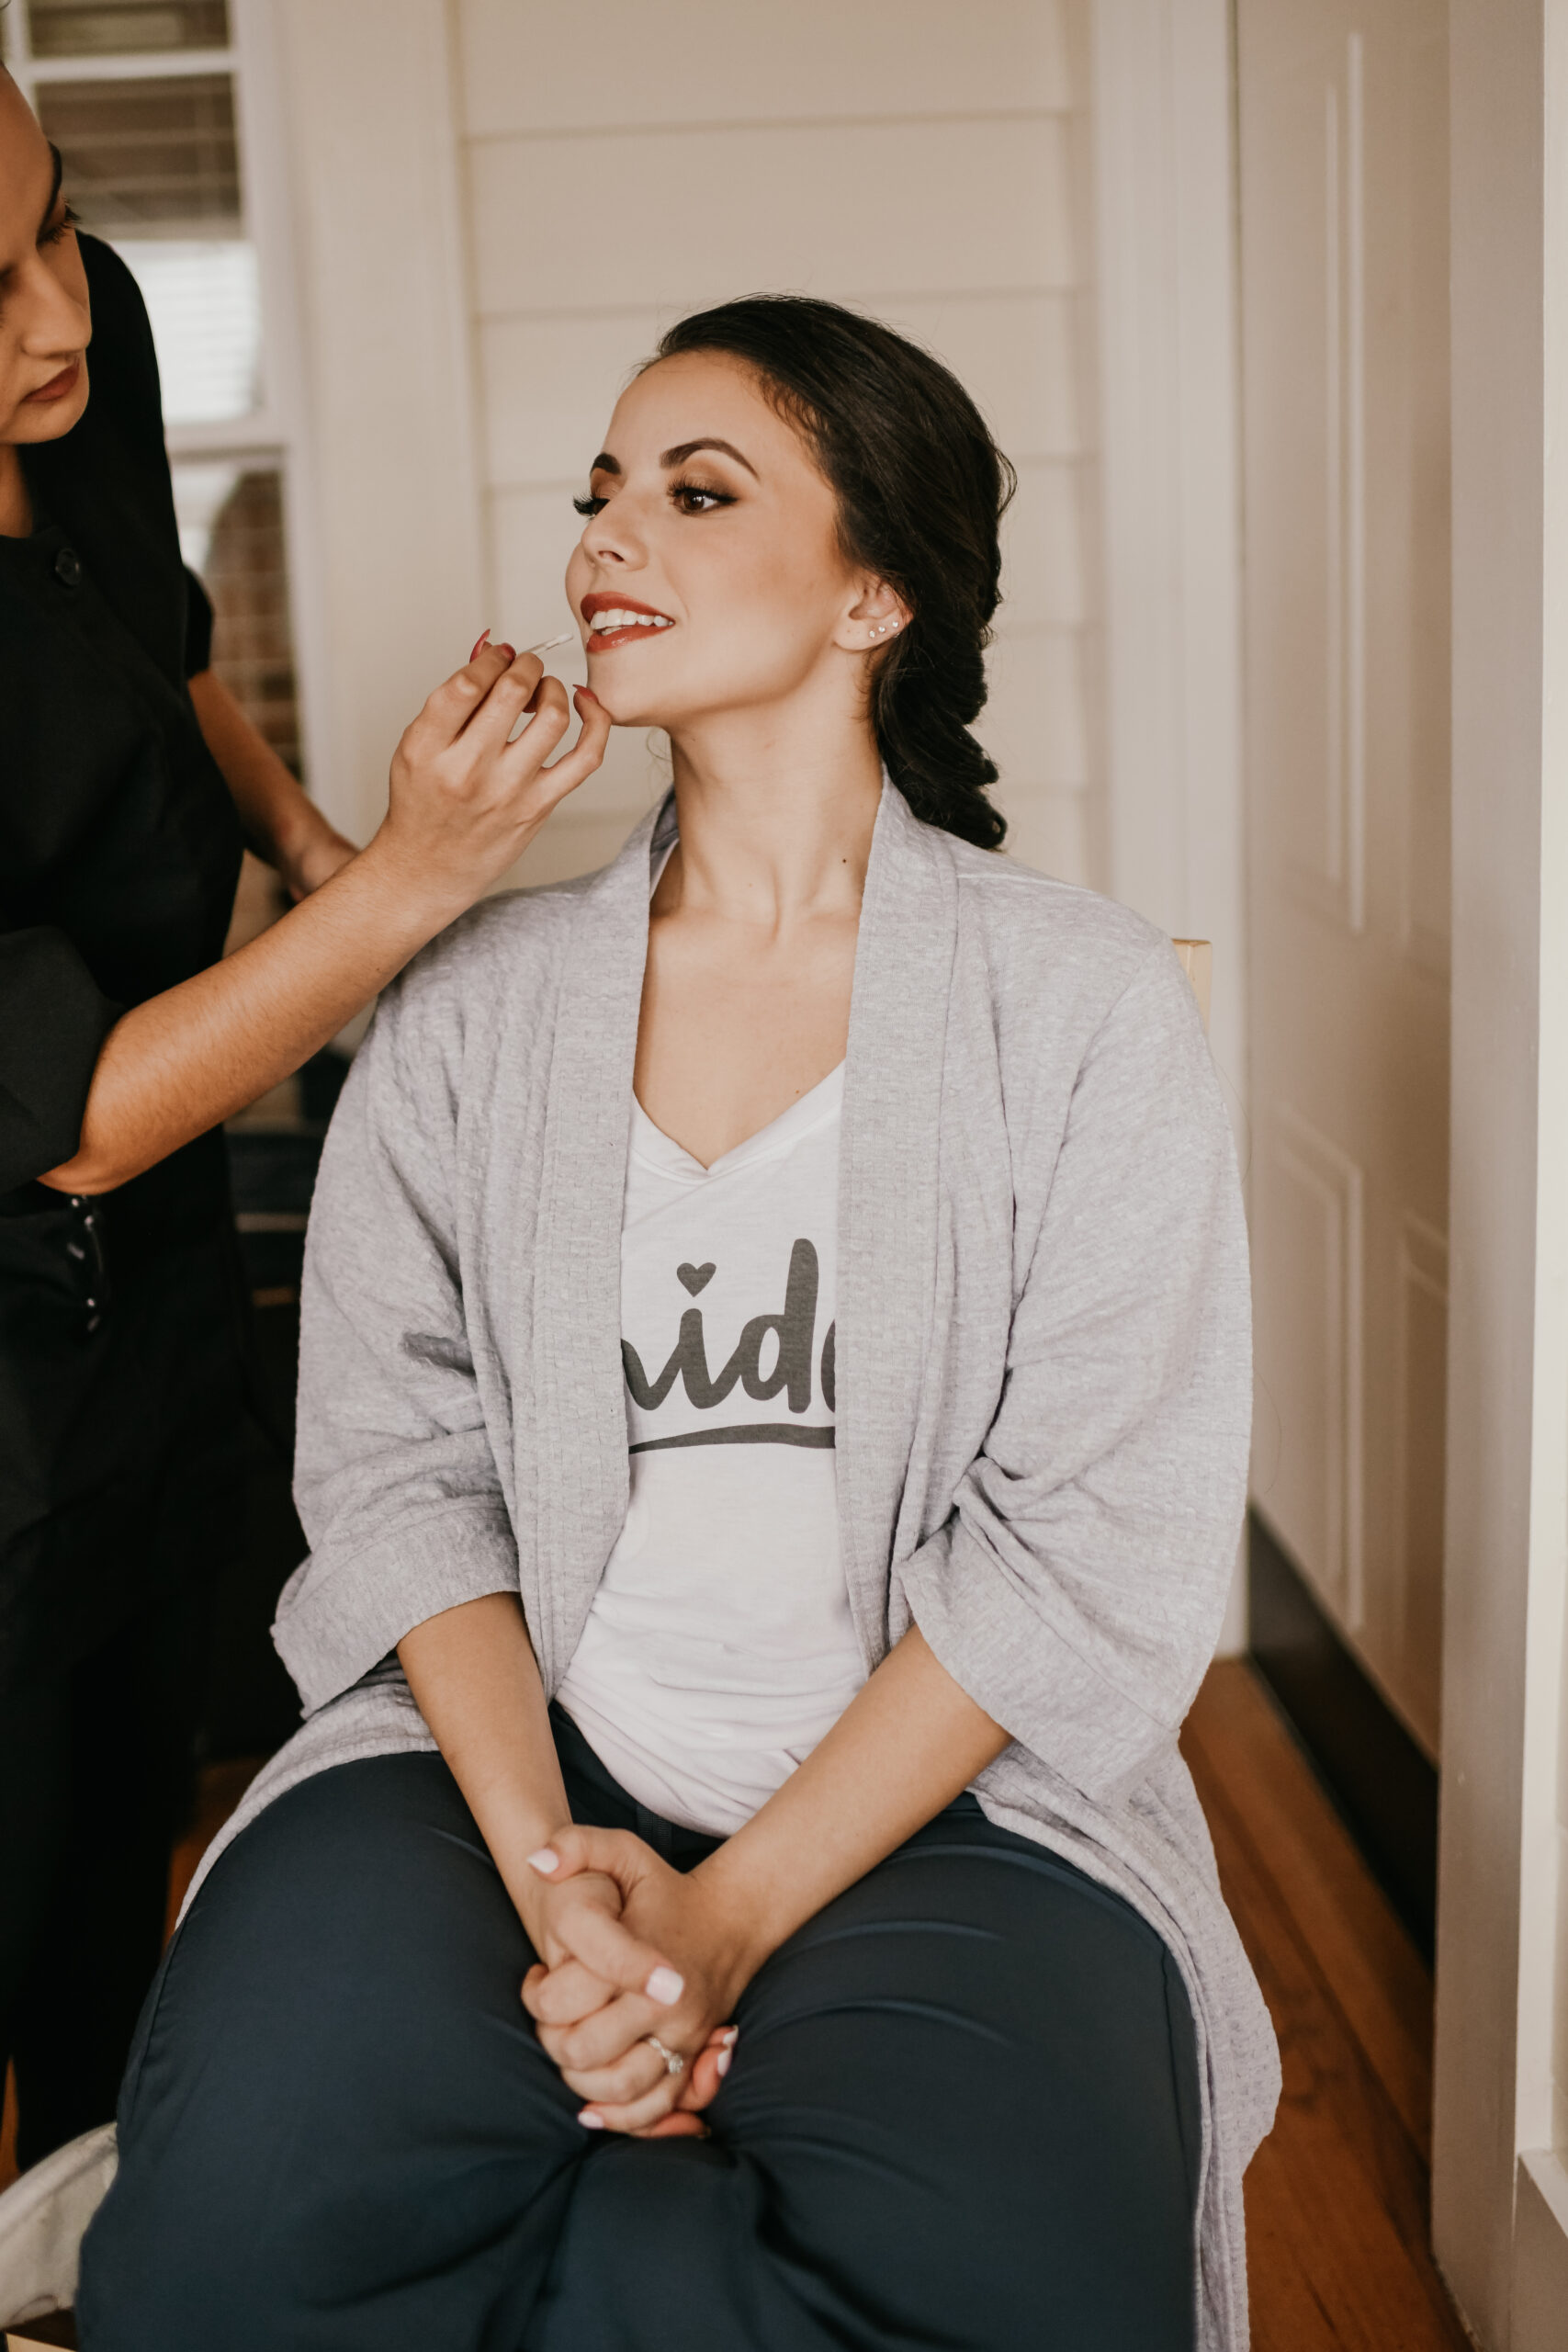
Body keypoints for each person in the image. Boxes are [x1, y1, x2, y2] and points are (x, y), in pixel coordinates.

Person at [79, 296, 1280, 2351]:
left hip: (952, 1808)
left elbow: (1083, 1547)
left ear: (873, 587)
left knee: (990, 2280)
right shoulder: (470, 1006)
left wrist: (716, 1921)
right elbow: (395, 1472)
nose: (602, 541)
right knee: (235, 2239)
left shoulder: (1072, 1009)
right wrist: (560, 1872)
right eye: (595, 494)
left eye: (694, 492)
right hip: (493, 1773)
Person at [0, 67, 609, 2169]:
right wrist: (414, 891)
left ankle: (86, 2229)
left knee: (125, 1847)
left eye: (53, 226)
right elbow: (63, 1121)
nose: (60, 319)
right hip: (21, 1297)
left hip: (156, 1296)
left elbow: (154, 648)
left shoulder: (80, 367)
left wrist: (328, 851)